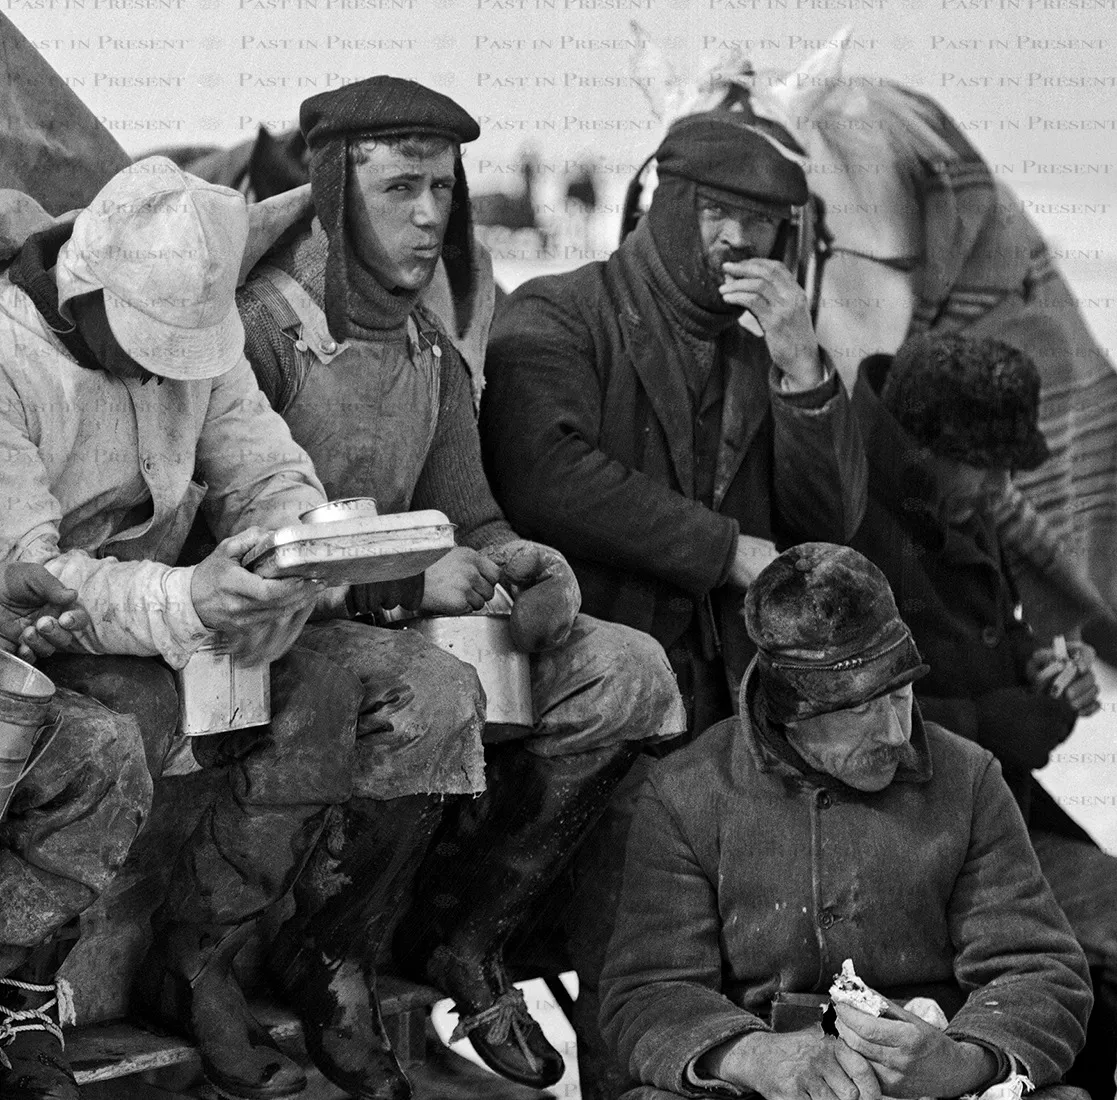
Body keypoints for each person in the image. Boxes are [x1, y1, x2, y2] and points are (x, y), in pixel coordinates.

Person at [235, 76, 686, 1095]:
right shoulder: (261, 333)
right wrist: (399, 583)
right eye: (400, 189)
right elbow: (242, 551)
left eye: (442, 187)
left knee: (629, 671)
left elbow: (468, 514)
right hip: (280, 629)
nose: (431, 215)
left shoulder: (427, 348)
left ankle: (465, 930)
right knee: (435, 689)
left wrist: (523, 563)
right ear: (332, 191)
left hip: (395, 623)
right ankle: (327, 947)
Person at [0, 157, 483, 1100]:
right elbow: (28, 573)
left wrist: (292, 565)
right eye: (144, 343)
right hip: (55, 630)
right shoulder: (5, 362)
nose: (161, 368)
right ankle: (22, 986)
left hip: (183, 602)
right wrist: (190, 602)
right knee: (119, 728)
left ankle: (212, 957)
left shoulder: (204, 336)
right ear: (84, 285)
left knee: (381, 693)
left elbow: (265, 471)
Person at [479, 109, 867, 1095]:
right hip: (584, 719)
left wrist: (801, 363)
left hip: (723, 709)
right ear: (664, 201)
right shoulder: (556, 313)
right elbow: (544, 473)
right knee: (648, 950)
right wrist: (722, 548)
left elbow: (827, 521)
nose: (740, 241)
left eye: (764, 224)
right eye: (718, 213)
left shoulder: (754, 352)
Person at [599, 542, 1092, 1100]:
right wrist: (754, 1058)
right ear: (791, 712)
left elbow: (1037, 968)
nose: (895, 734)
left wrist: (966, 1062)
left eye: (901, 694)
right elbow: (648, 991)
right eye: (859, 710)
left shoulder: (969, 778)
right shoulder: (688, 793)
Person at [848, 332, 1117, 1098]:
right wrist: (995, 722)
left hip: (990, 809)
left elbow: (993, 643)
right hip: (906, 835)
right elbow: (834, 715)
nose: (1001, 486)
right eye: (988, 464)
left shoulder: (953, 501)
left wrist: (1045, 681)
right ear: (925, 447)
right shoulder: (849, 507)